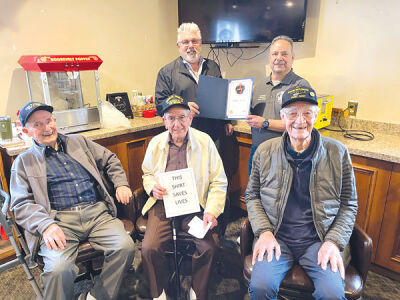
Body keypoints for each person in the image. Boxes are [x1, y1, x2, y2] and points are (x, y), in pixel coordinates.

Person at [10, 102, 135, 300]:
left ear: (55, 120)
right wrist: (45, 225)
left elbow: (110, 159)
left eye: (49, 121)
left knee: (125, 247)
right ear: (26, 131)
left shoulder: (80, 142)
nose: (47, 128)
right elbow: (20, 205)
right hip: (59, 222)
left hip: (97, 213)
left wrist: (121, 184)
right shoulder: (23, 162)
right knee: (59, 269)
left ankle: (97, 296)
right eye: (38, 124)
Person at [245, 86, 358, 300]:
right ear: (282, 116)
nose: (300, 120)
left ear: (316, 115)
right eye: (292, 113)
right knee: (260, 287)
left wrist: (333, 241)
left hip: (320, 239)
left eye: (307, 112)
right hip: (277, 237)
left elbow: (348, 203)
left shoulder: (338, 152)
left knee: (332, 294)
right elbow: (252, 196)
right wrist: (264, 231)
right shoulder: (265, 151)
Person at [141, 95, 227, 300]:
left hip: (195, 204)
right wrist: (152, 187)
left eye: (182, 117)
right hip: (164, 203)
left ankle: (197, 290)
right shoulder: (155, 143)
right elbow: (147, 174)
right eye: (171, 118)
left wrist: (211, 211)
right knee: (148, 248)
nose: (177, 124)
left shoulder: (205, 141)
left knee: (209, 246)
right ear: (164, 121)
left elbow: (218, 181)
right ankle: (158, 292)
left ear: (190, 119)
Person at [155, 22, 233, 147]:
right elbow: (160, 105)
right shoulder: (166, 72)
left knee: (212, 167)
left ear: (200, 43)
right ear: (178, 45)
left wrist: (227, 121)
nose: (191, 46)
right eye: (186, 42)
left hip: (213, 135)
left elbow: (222, 96)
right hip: (184, 136)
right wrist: (183, 107)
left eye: (194, 41)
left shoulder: (213, 66)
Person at [246, 35, 311, 173]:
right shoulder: (259, 85)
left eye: (284, 54)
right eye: (275, 53)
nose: (279, 58)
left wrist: (265, 123)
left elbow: (299, 125)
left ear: (292, 58)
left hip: (286, 156)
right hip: (257, 153)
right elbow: (250, 115)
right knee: (253, 193)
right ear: (269, 58)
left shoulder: (301, 86)